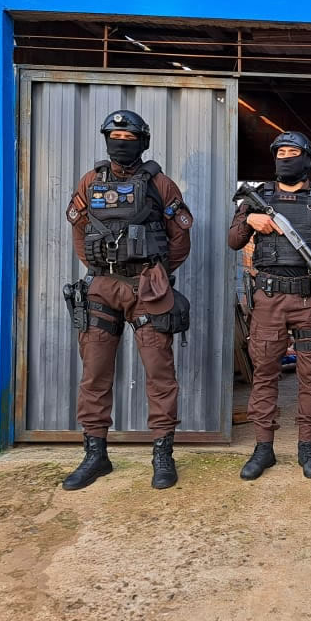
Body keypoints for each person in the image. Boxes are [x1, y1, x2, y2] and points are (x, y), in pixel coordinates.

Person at [62, 110, 194, 491]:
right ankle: (95, 453)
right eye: (114, 135)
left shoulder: (160, 184)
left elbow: (180, 239)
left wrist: (155, 271)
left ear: (142, 140)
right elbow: (79, 230)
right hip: (102, 287)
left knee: (159, 373)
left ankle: (163, 453)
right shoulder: (91, 182)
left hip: (148, 289)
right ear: (106, 139)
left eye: (128, 135)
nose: (121, 142)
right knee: (95, 374)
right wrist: (100, 268)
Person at [228, 131, 311, 481]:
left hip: (308, 299)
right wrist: (249, 220)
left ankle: (306, 446)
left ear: (306, 159)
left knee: (310, 375)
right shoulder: (256, 198)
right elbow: (233, 240)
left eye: (293, 153)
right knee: (264, 374)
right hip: (269, 299)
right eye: (281, 153)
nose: (286, 159)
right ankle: (264, 447)